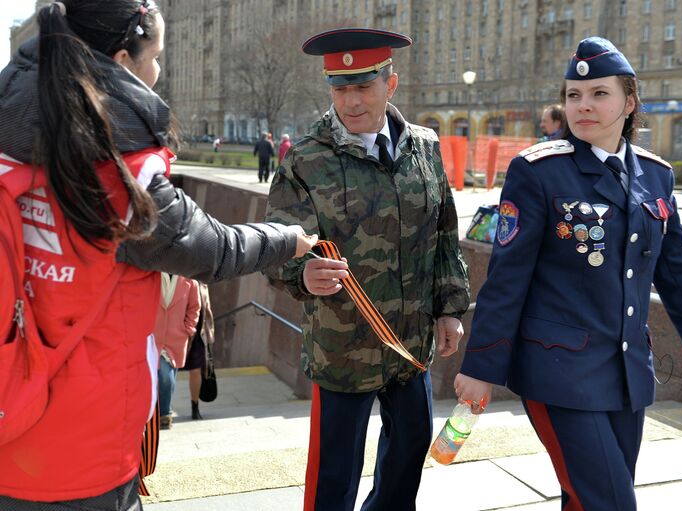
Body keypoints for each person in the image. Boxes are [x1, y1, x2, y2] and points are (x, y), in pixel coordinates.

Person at [0, 1, 316, 509]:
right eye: (157, 57)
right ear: (123, 61)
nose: (159, 71)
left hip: (9, 417)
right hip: (82, 449)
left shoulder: (10, 133)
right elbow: (209, 249)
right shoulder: (120, 173)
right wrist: (285, 238)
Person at [454, 37, 682, 511]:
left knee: (590, 499)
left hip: (627, 374)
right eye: (573, 95)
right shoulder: (539, 171)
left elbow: (679, 274)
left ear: (629, 102)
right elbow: (507, 279)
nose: (583, 106)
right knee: (611, 502)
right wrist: (480, 366)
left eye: (599, 94)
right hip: (558, 372)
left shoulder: (655, 175)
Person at [265, 28, 471, 511]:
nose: (351, 101)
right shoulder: (307, 159)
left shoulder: (424, 147)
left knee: (407, 459)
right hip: (342, 350)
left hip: (410, 346)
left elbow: (444, 236)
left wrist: (450, 309)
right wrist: (301, 276)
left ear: (390, 85)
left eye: (363, 87)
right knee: (334, 475)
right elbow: (277, 247)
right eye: (340, 89)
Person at [154, 274, 201, 429]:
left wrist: (188, 329)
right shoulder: (151, 275)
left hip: (176, 339)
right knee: (164, 377)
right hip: (152, 337)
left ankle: (162, 411)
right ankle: (164, 414)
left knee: (169, 377)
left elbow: (195, 307)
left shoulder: (190, 282)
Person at [180, 281, 215, 421]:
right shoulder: (179, 281)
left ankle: (195, 407)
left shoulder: (202, 284)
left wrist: (210, 335)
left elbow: (207, 310)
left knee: (196, 370)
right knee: (168, 373)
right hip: (178, 333)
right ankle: (164, 409)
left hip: (198, 334)